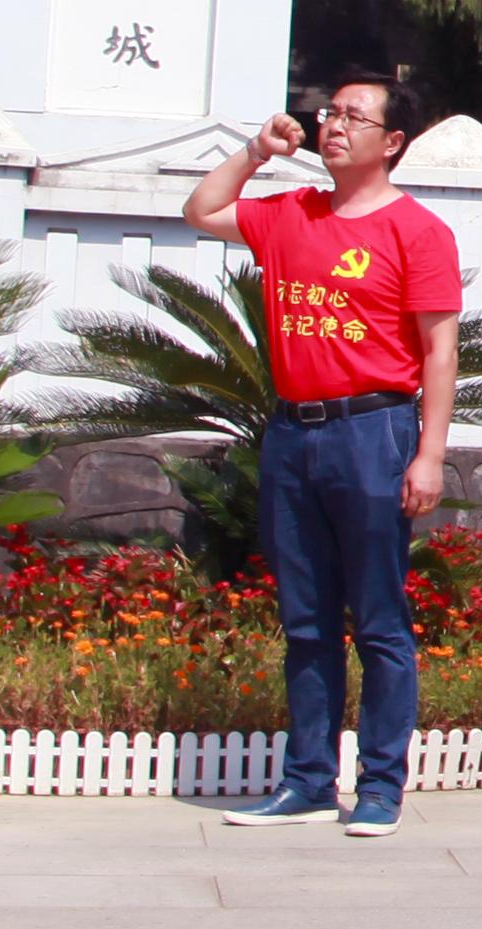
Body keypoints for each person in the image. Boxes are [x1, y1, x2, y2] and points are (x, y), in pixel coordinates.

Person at [186, 72, 463, 834]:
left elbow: (440, 352)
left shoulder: (418, 232)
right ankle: (307, 782)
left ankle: (379, 788)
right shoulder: (290, 214)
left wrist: (428, 455)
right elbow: (202, 209)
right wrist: (256, 152)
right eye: (329, 112)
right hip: (291, 434)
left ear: (393, 141)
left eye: (354, 116)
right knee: (305, 621)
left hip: (373, 431)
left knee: (378, 619)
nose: (333, 125)